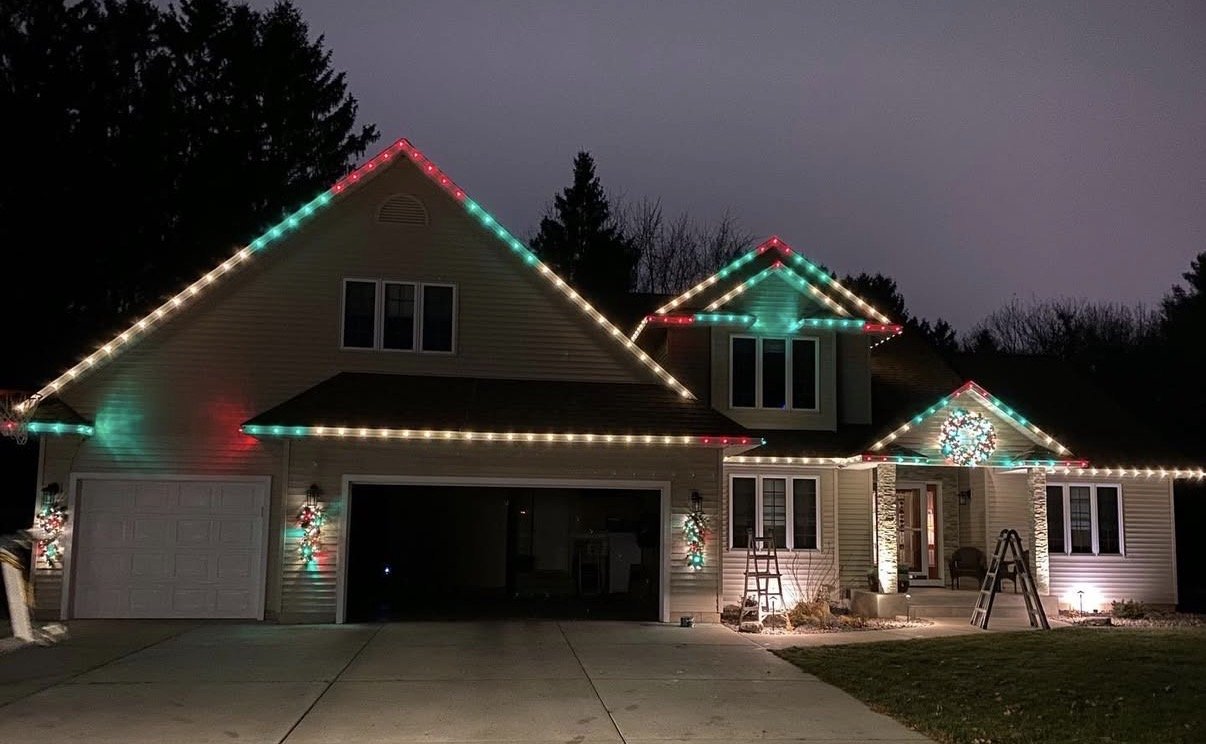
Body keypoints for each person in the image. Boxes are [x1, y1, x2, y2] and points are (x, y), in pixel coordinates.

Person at [1, 529, 68, 646]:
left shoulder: (20, 546)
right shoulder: (16, 542)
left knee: (22, 597)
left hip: (13, 556)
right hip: (10, 553)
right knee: (18, 597)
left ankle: (27, 631)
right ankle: (27, 632)